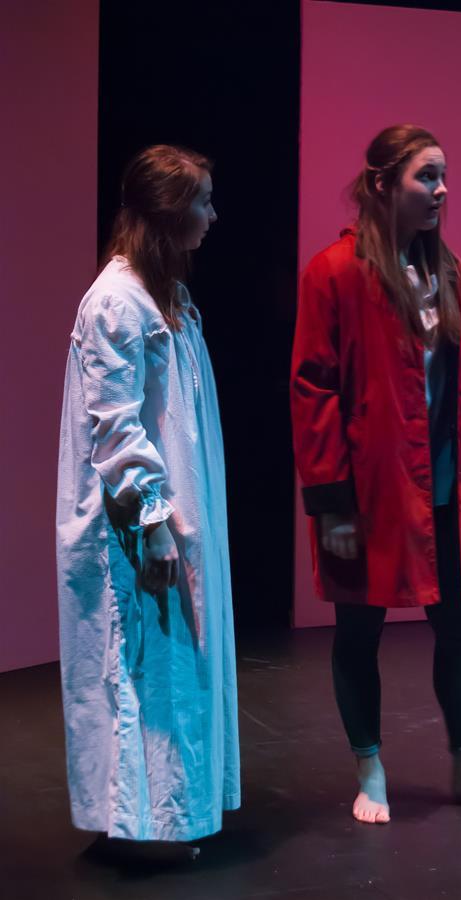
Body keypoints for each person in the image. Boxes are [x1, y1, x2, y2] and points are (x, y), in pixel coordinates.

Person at [290, 125, 461, 825]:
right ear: (380, 185)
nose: (441, 191)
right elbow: (312, 390)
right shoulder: (333, 273)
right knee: (358, 630)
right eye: (425, 177)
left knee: (460, 629)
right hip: (369, 493)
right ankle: (369, 768)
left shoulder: (449, 272)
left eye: (443, 177)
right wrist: (331, 503)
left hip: (445, 482)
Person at [56, 145, 240, 851]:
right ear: (167, 215)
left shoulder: (165, 296)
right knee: (136, 667)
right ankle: (139, 824)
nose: (213, 215)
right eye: (202, 202)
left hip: (174, 510)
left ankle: (163, 816)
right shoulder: (115, 301)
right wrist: (153, 520)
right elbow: (115, 422)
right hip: (135, 524)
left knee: (170, 667)